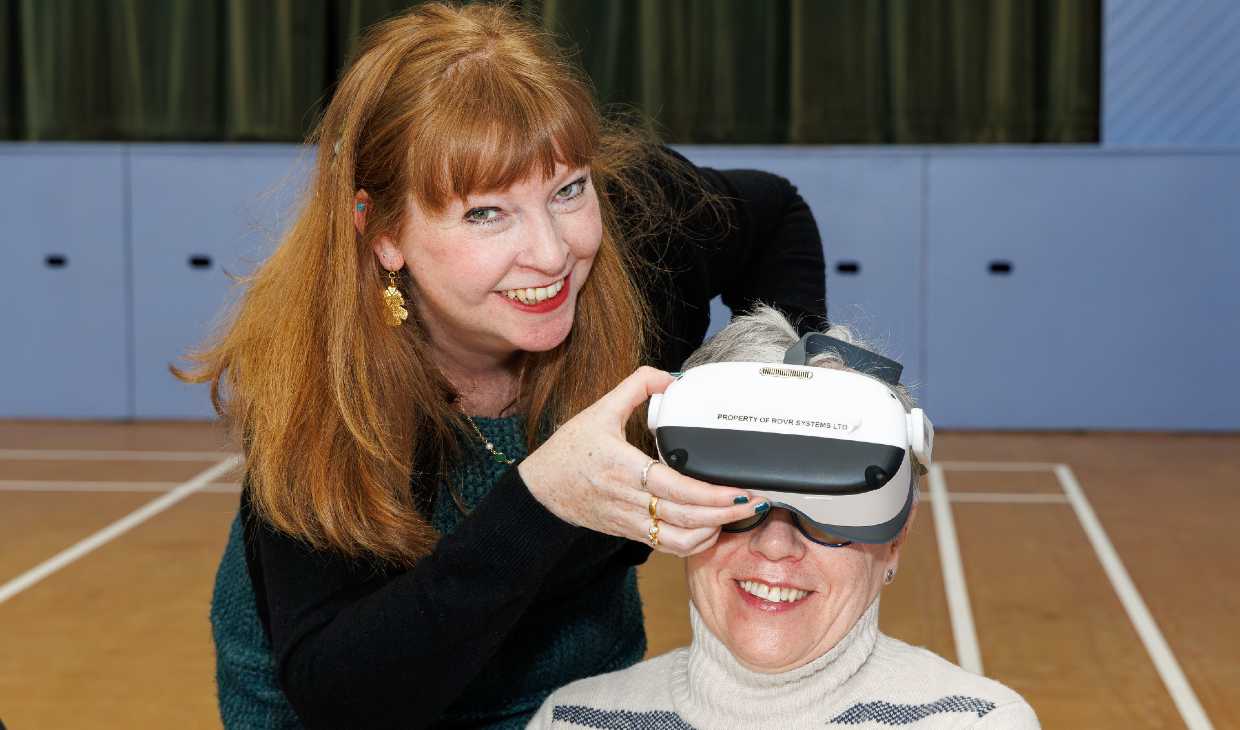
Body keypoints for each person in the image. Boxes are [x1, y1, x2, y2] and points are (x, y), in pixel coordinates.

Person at [177, 4, 826, 729]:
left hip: (573, 677)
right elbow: (342, 692)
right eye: (485, 213)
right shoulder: (328, 387)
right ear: (383, 234)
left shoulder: (642, 244)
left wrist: (792, 379)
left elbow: (775, 215)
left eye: (568, 190)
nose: (551, 254)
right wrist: (542, 499)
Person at [531, 306, 1040, 730]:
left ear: (896, 540)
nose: (776, 546)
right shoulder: (575, 720)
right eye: (739, 503)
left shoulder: (977, 722)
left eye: (828, 515)